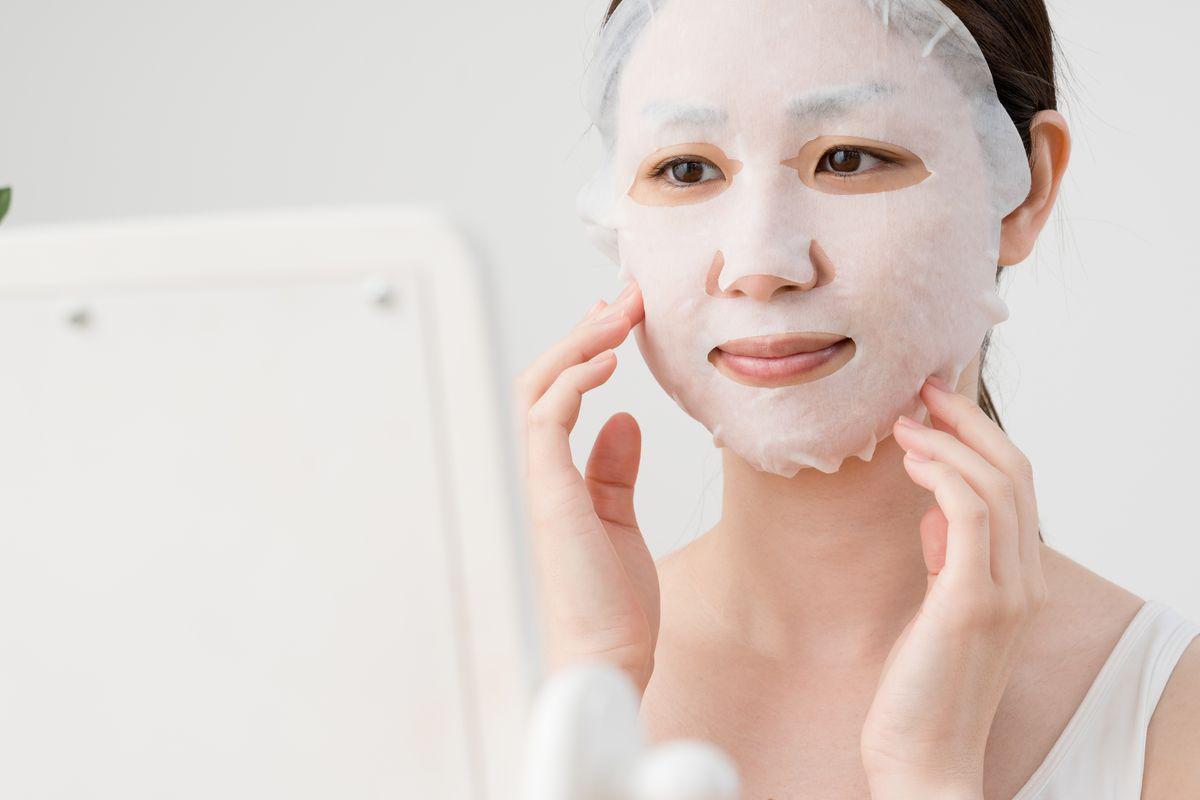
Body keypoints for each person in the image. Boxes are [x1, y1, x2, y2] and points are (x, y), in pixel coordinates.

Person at [514, 0, 1200, 797]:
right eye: (686, 169)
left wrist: (928, 771)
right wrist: (596, 686)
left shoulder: (1170, 715)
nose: (760, 263)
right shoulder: (496, 681)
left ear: (1025, 189)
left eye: (848, 159)